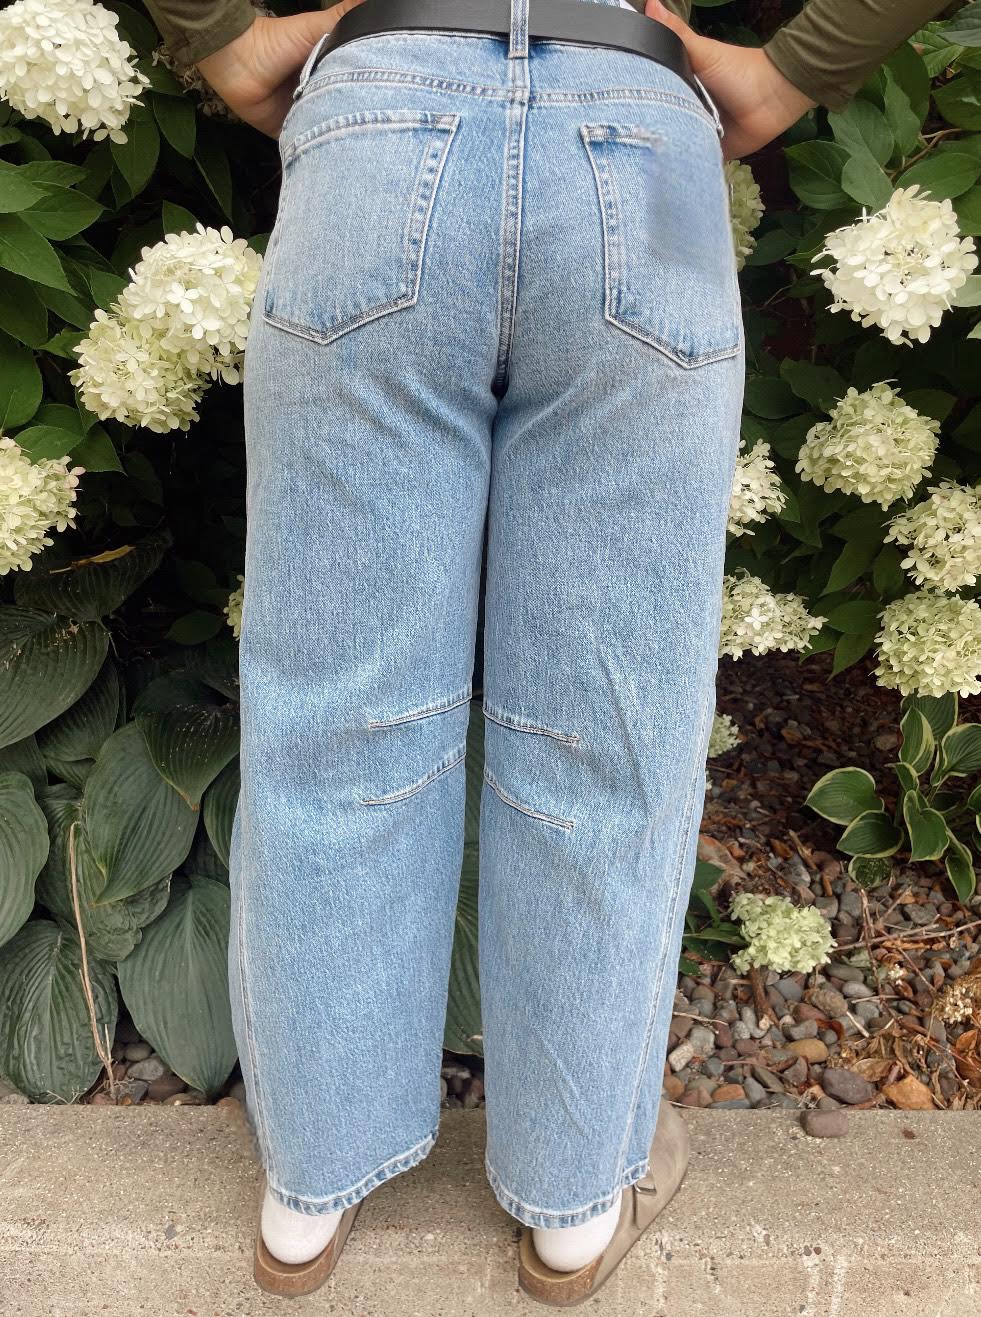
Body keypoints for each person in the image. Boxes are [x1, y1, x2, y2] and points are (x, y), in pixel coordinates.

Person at [142, 0, 953, 1303]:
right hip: (633, 129)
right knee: (608, 728)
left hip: (380, 123)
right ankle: (573, 1205)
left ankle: (309, 1190)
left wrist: (220, 33)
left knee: (338, 717)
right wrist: (798, 67)